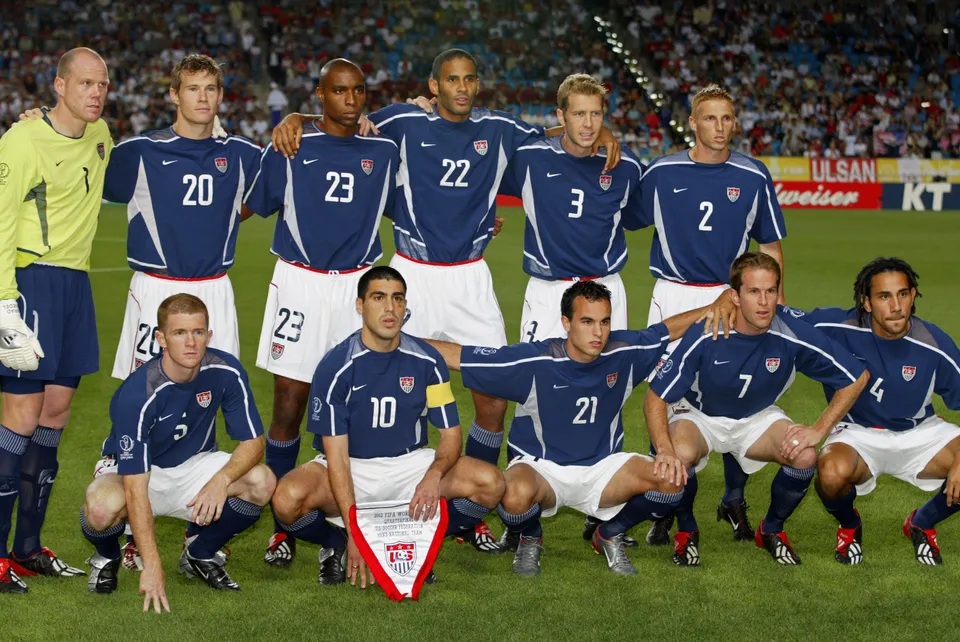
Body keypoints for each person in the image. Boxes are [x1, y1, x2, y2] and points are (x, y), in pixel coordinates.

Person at [270, 49, 622, 551]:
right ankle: (347, 491)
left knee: (494, 397)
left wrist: (602, 133)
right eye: (452, 80)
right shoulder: (403, 120)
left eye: (470, 79)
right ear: (434, 86)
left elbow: (564, 136)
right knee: (378, 380)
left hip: (471, 278)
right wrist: (295, 117)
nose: (462, 87)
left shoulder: (499, 129)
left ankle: (464, 514)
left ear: (477, 85)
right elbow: (347, 116)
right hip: (412, 272)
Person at [424, 281, 735, 575]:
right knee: (514, 496)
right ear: (566, 322)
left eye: (604, 322)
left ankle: (609, 533)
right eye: (587, 322)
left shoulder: (625, 352)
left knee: (672, 481)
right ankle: (530, 537)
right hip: (543, 470)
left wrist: (717, 304)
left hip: (604, 470)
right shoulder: (535, 360)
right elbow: (459, 357)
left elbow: (667, 330)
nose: (597, 332)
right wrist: (397, 340)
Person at [243, 58, 401, 567]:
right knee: (290, 401)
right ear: (320, 95)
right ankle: (281, 527)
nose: (350, 100)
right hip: (300, 283)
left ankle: (336, 514)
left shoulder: (384, 148)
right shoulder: (292, 146)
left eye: (358, 90)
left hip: (356, 288)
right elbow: (248, 205)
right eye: (339, 91)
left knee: (349, 404)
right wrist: (290, 123)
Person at [269, 266, 505, 586]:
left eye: (398, 298)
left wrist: (433, 476)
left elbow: (451, 435)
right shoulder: (335, 367)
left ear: (406, 306)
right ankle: (336, 541)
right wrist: (355, 534)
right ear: (360, 305)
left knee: (490, 483)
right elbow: (337, 457)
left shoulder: (428, 361)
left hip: (410, 465)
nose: (390, 308)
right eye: (378, 298)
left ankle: (413, 535)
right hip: (352, 466)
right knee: (286, 499)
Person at [645, 252, 868, 566]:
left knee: (804, 454)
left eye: (771, 291)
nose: (764, 302)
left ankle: (771, 529)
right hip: (700, 416)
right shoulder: (708, 329)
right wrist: (664, 449)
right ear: (734, 296)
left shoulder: (791, 330)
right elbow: (655, 398)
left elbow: (856, 377)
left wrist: (819, 430)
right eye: (753, 292)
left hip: (758, 418)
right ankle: (687, 530)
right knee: (679, 455)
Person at [641, 84, 788, 546]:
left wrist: (772, 300)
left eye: (727, 118)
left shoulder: (752, 174)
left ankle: (734, 498)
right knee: (665, 399)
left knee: (732, 397)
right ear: (693, 122)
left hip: (731, 297)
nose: (720, 128)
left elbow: (770, 244)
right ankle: (672, 505)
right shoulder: (662, 171)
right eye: (710, 118)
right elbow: (615, 212)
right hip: (673, 295)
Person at [77, 294, 275, 609]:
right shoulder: (136, 394)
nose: (191, 342)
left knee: (261, 481)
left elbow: (254, 442)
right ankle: (107, 555)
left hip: (195, 466)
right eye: (179, 333)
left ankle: (200, 551)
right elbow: (135, 487)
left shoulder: (227, 370)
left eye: (198, 332)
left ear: (209, 336)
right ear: (161, 338)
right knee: (101, 509)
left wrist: (221, 480)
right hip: (137, 473)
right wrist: (152, 564)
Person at [0, 47, 113, 593]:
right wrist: (4, 304)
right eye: (86, 83)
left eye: (103, 85)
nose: (96, 93)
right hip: (32, 280)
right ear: (59, 85)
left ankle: (26, 548)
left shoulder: (101, 135)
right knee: (18, 418)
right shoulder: (22, 140)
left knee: (56, 413)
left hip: (76, 285)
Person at [788, 258, 960, 565]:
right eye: (884, 296)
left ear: (914, 295)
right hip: (857, 435)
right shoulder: (836, 327)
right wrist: (725, 300)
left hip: (920, 433)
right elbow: (772, 313)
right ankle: (850, 526)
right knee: (830, 475)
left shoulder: (935, 343)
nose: (896, 306)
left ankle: (922, 521)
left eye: (903, 294)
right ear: (866, 302)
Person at [104, 54, 262, 380]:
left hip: (215, 289)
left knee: (213, 392)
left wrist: (297, 118)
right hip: (156, 289)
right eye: (192, 89)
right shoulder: (138, 151)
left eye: (210, 88)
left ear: (221, 94)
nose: (202, 97)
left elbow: (278, 187)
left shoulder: (242, 154)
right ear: (175, 94)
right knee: (146, 395)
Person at [500, 73, 645, 343]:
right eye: (579, 114)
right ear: (561, 115)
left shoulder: (626, 165)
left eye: (596, 114)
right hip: (549, 290)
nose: (588, 124)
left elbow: (643, 212)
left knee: (607, 382)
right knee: (538, 380)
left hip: (605, 287)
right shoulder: (530, 158)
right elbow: (476, 178)